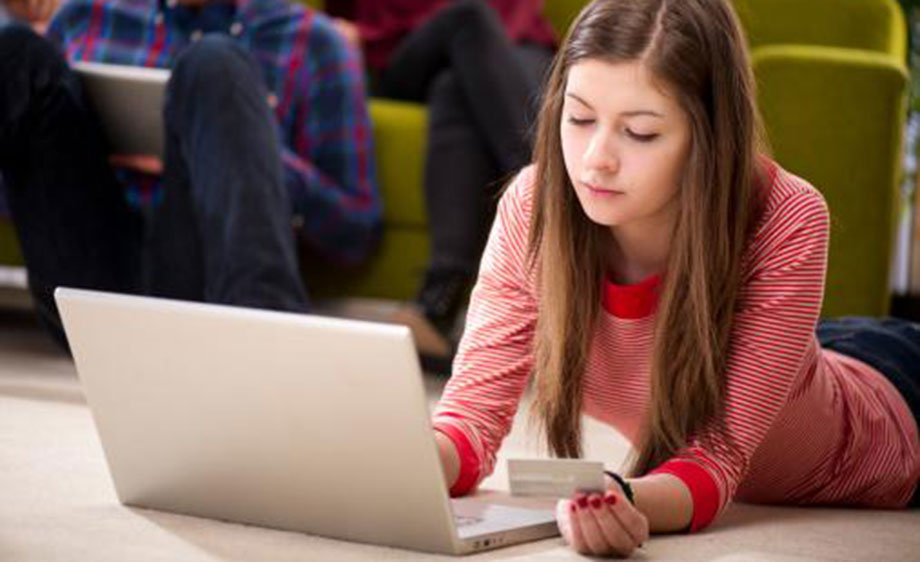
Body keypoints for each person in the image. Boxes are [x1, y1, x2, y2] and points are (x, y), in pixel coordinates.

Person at [427, 0, 920, 557]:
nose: (595, 159)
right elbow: (469, 420)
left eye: (639, 132)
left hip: (895, 400)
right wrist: (407, 461)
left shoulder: (787, 214)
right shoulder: (533, 207)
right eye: (580, 117)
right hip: (813, 362)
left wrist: (623, 498)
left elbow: (715, 457)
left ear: (707, 139)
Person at [0, 0, 380, 346]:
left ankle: (269, 347)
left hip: (206, 284)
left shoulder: (315, 43)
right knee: (15, 51)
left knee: (215, 65)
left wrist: (254, 150)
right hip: (88, 271)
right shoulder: (88, 16)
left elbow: (355, 230)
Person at [330, 0, 556, 366]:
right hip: (410, 50)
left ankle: (436, 305)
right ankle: (557, 210)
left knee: (455, 86)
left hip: (512, 51)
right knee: (469, 17)